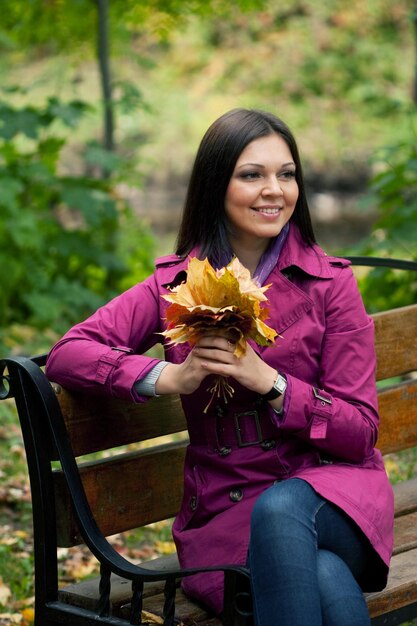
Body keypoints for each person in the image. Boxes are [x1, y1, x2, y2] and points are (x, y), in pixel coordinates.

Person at [46, 108, 394, 625]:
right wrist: (170, 377)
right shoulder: (178, 285)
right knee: (323, 576)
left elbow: (360, 432)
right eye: (251, 175)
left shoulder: (329, 284)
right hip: (227, 515)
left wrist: (271, 383)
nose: (274, 190)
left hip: (334, 494)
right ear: (216, 185)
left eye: (286, 173)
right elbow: (69, 353)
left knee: (282, 511)